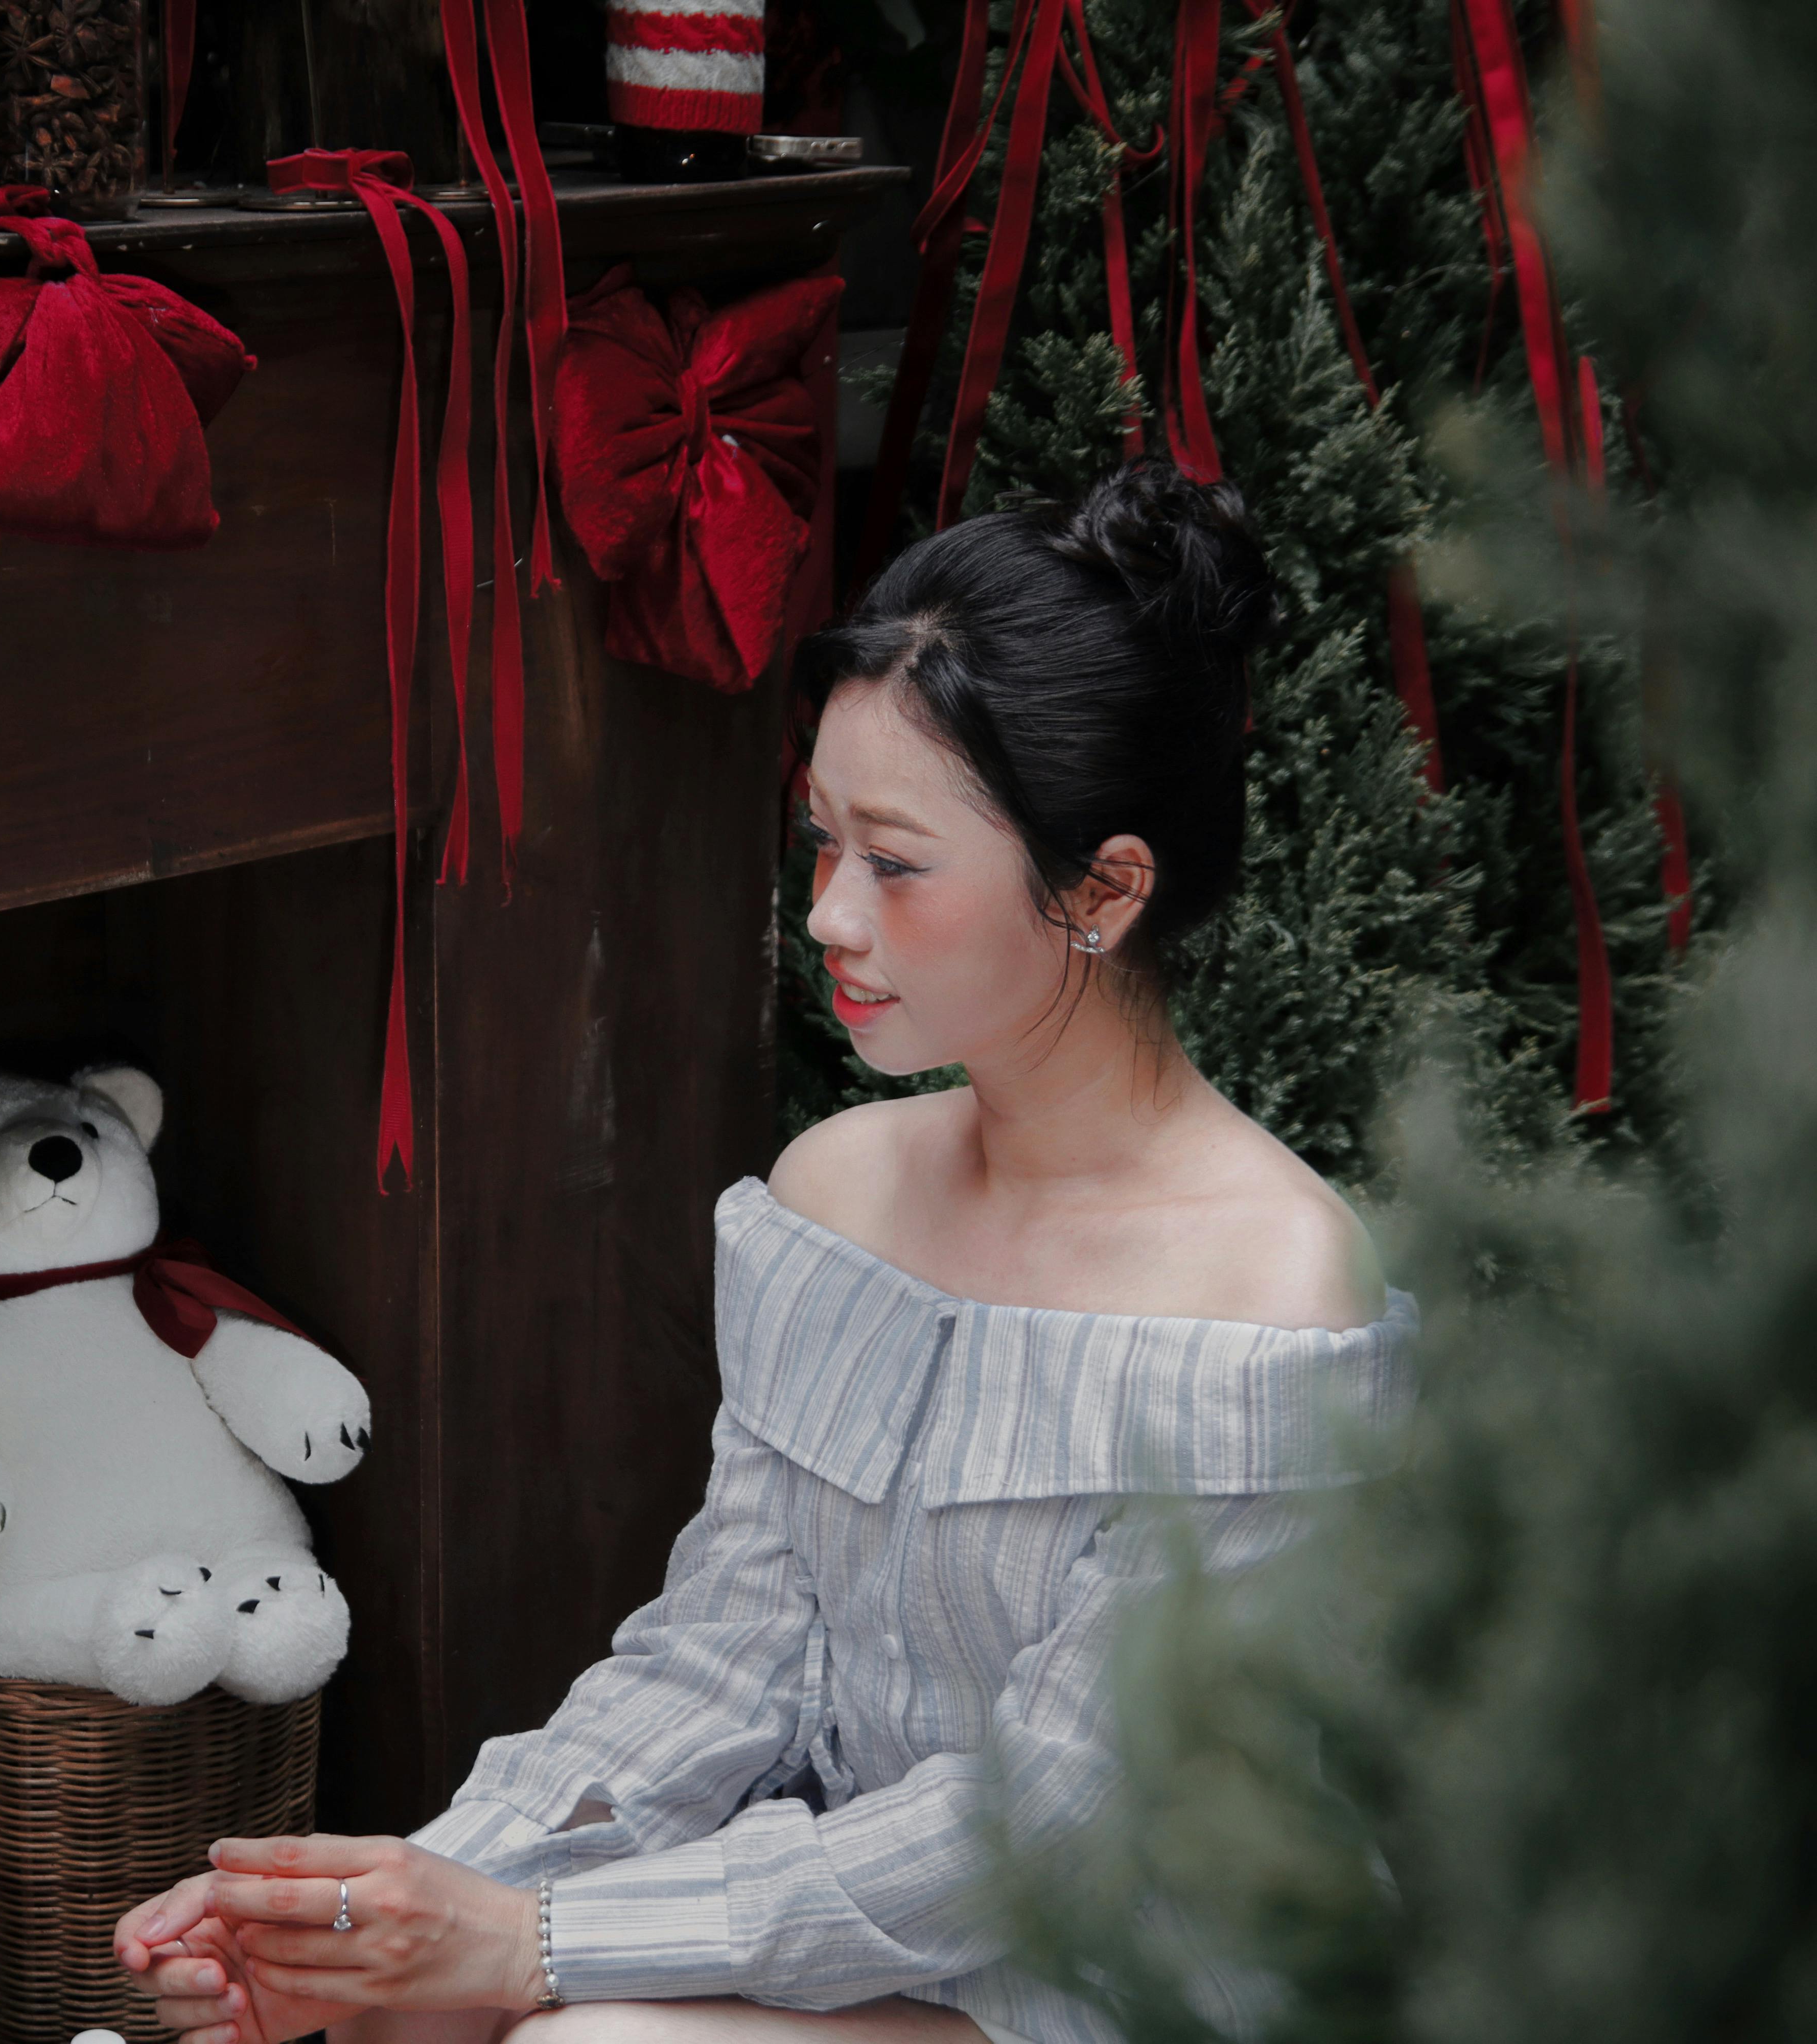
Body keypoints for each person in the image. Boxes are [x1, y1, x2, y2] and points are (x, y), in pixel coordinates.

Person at [111, 462, 1418, 2044]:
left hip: (1125, 1972)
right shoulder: (835, 1195)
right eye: (819, 842)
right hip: (837, 1929)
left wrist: (535, 1942)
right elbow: (724, 1663)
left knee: (576, 2037)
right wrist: (375, 1909)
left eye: (898, 861)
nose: (831, 917)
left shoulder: (1276, 1298)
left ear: (1105, 889)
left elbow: (1056, 1824)